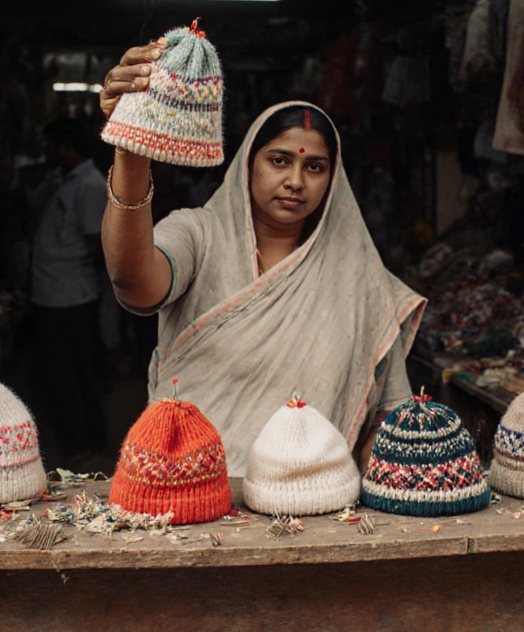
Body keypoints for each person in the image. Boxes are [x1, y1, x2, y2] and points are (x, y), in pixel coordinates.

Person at [101, 40, 426, 476]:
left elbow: (390, 410)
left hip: (310, 501)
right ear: (247, 165)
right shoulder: (199, 233)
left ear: (332, 179)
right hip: (188, 490)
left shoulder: (360, 275)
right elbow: (133, 283)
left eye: (315, 168)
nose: (295, 180)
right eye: (279, 160)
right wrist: (131, 152)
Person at [29, 119, 109, 466]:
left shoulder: (89, 184)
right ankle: (86, 437)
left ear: (64, 147)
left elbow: (97, 243)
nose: (45, 153)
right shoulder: (67, 181)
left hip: (71, 295)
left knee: (70, 373)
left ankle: (83, 442)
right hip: (57, 292)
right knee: (71, 370)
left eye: (50, 146)